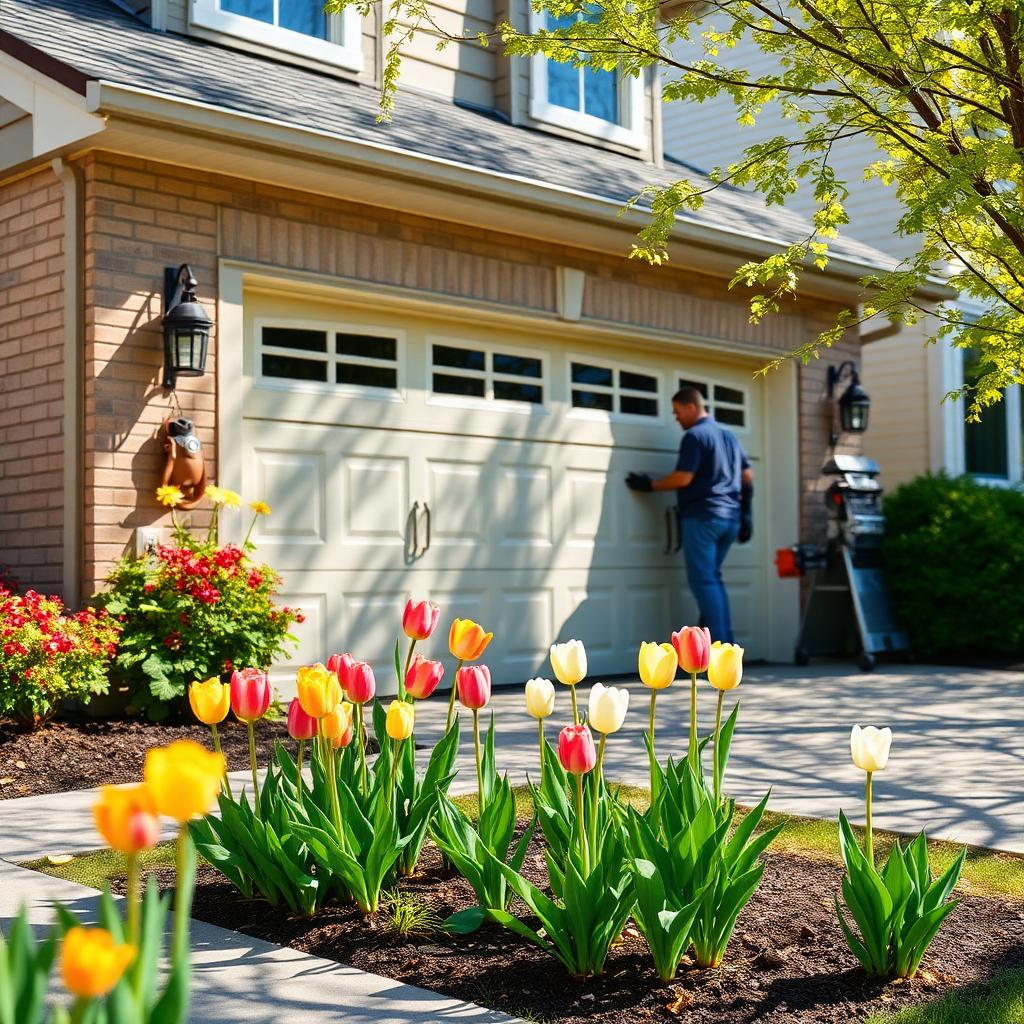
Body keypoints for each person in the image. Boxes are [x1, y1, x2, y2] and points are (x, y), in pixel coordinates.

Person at [625, 386, 753, 644]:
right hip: (730, 519)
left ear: (692, 407)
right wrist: (747, 513)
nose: (676, 418)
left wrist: (650, 485)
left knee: (705, 583)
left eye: (677, 412)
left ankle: (721, 649)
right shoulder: (729, 436)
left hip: (703, 518)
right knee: (712, 581)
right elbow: (748, 476)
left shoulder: (695, 436)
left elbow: (684, 477)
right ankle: (702, 650)